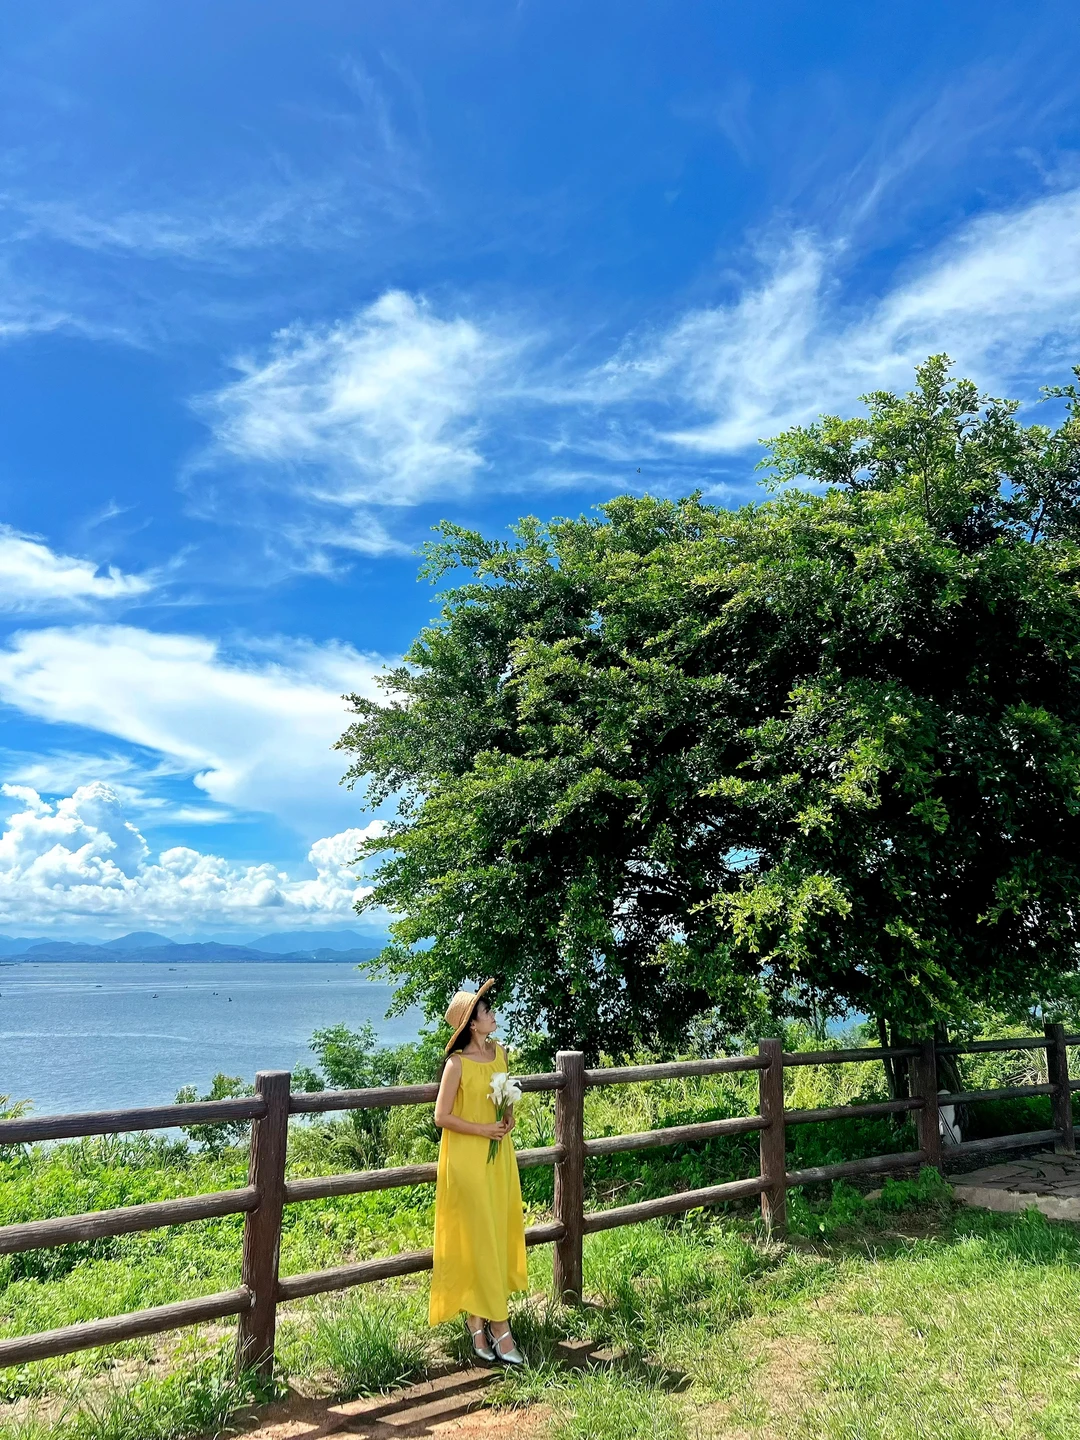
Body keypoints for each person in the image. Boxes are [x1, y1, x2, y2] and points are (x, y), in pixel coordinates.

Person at [428, 978, 528, 1365]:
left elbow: (504, 1099)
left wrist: (506, 1119)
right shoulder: (456, 1064)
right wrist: (482, 1129)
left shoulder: (499, 1053)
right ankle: (500, 1328)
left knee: (495, 1234)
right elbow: (441, 1116)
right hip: (467, 1160)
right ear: (472, 1023)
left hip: (498, 1155)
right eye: (487, 1011)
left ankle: (475, 1321)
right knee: (479, 1237)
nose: (493, 1014)